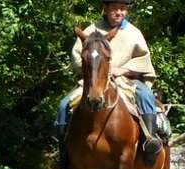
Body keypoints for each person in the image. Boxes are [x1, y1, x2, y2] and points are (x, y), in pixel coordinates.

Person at [58, 0, 168, 150]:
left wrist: (122, 70)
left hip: (127, 79)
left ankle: (150, 140)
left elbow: (143, 59)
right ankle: (64, 153)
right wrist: (96, 70)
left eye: (123, 8)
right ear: (105, 8)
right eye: (115, 8)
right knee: (64, 105)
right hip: (95, 80)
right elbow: (78, 58)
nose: (119, 12)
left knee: (146, 97)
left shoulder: (133, 33)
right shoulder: (91, 31)